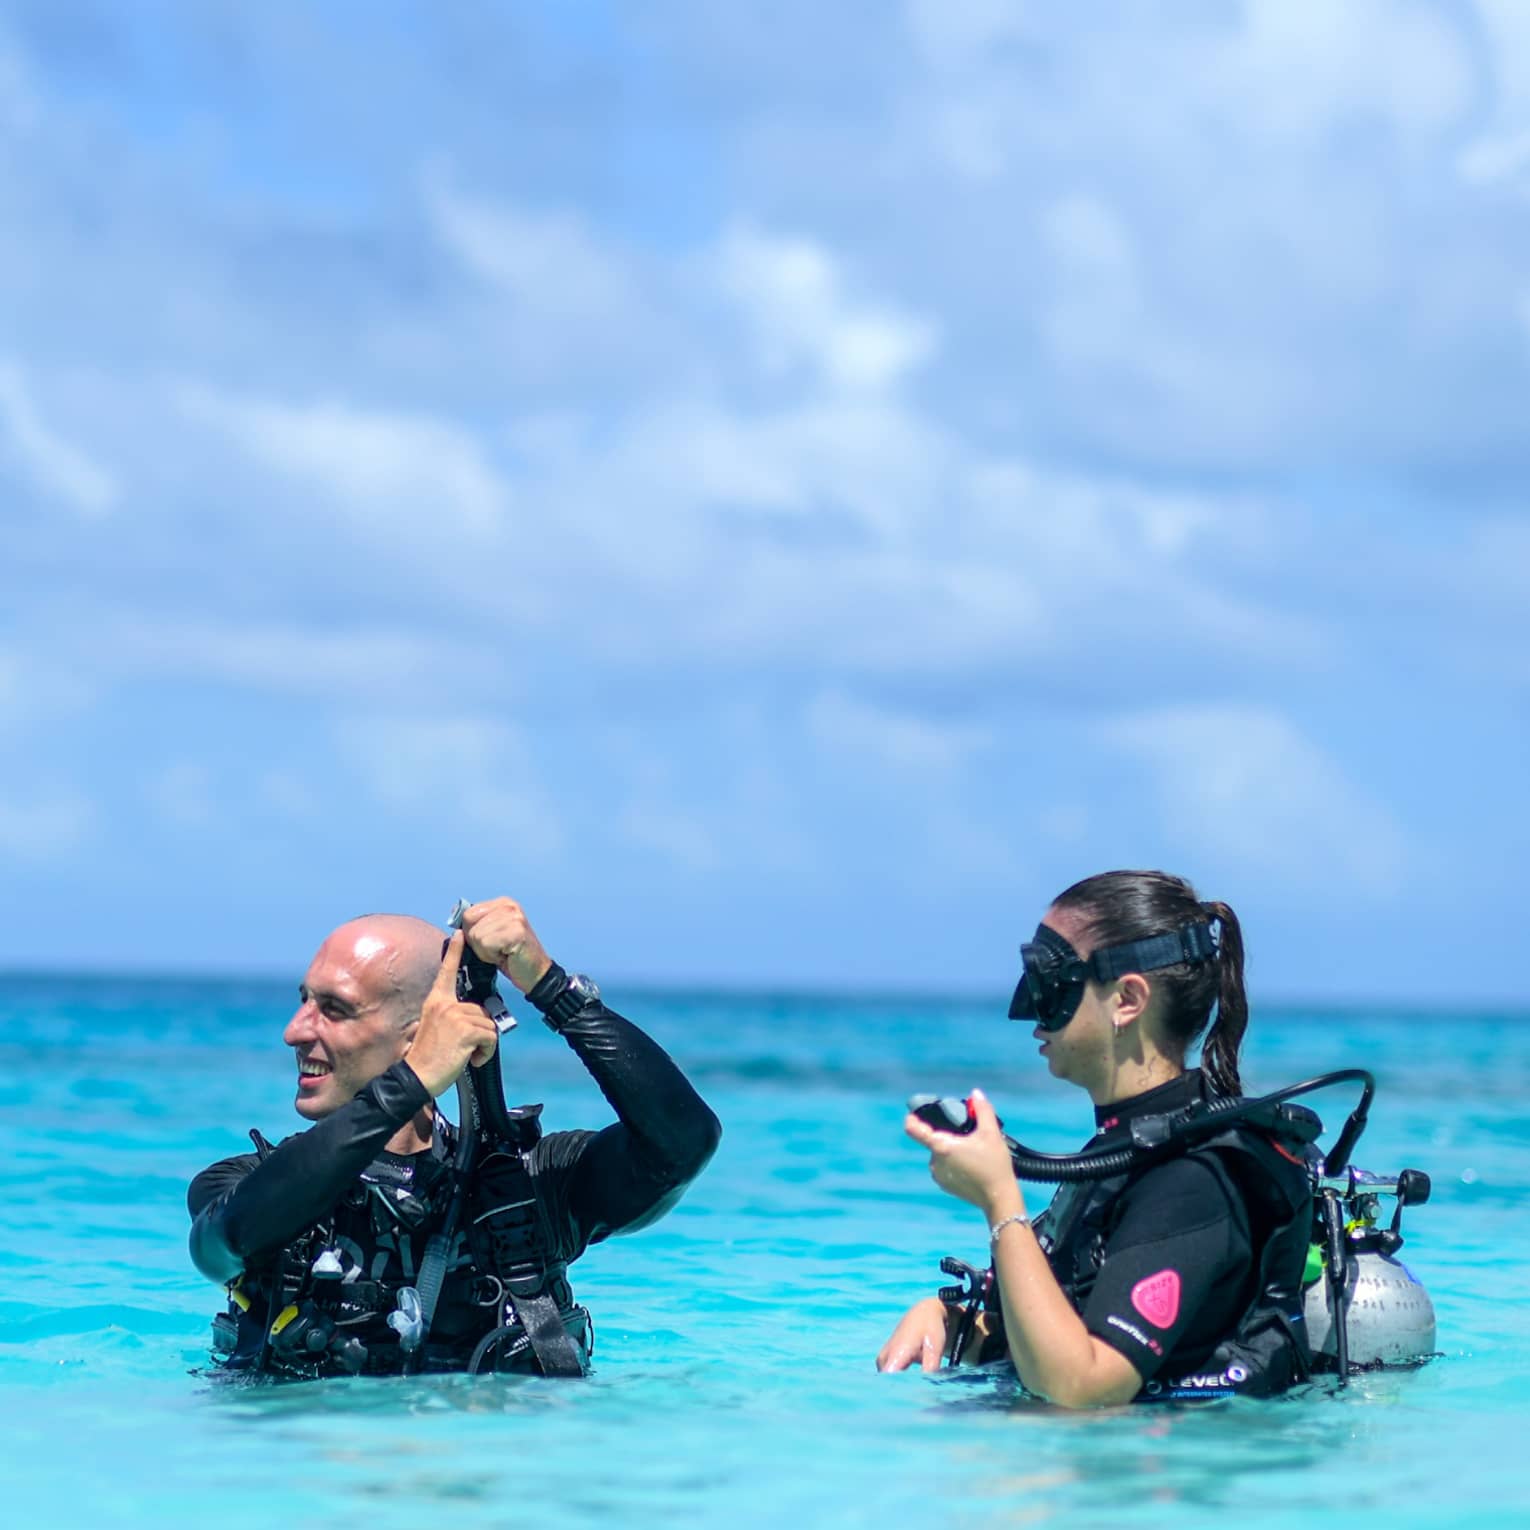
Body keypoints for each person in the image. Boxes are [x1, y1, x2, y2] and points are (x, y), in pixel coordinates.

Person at [188, 897, 721, 1379]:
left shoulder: (530, 1189)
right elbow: (221, 1244)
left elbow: (682, 1143)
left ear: (421, 1033)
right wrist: (411, 1082)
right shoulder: (247, 1186)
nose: (295, 1030)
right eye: (305, 1000)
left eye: (335, 1009)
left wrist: (552, 989)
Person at [876, 870, 1314, 1406]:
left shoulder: (1192, 1179)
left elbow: (1086, 1388)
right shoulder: (1119, 1154)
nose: (1026, 1009)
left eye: (1049, 981)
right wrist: (957, 1324)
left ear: (1127, 999)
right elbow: (1069, 1325)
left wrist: (999, 1203)